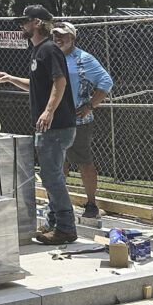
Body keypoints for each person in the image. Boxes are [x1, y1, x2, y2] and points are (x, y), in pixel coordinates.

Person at [0, 5, 79, 245]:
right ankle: (53, 224)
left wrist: (49, 111)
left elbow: (59, 82)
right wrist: (9, 78)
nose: (21, 26)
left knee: (51, 178)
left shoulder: (49, 49)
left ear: (38, 23)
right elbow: (36, 85)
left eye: (25, 21)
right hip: (53, 126)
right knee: (51, 176)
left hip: (56, 126)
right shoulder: (39, 51)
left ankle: (66, 228)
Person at [50, 21, 113, 224]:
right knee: (58, 163)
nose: (59, 39)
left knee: (84, 162)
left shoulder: (83, 59)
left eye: (63, 35)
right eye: (55, 35)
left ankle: (91, 204)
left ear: (72, 38)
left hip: (78, 121)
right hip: (55, 120)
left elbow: (106, 82)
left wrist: (90, 105)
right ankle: (58, 203)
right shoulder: (51, 56)